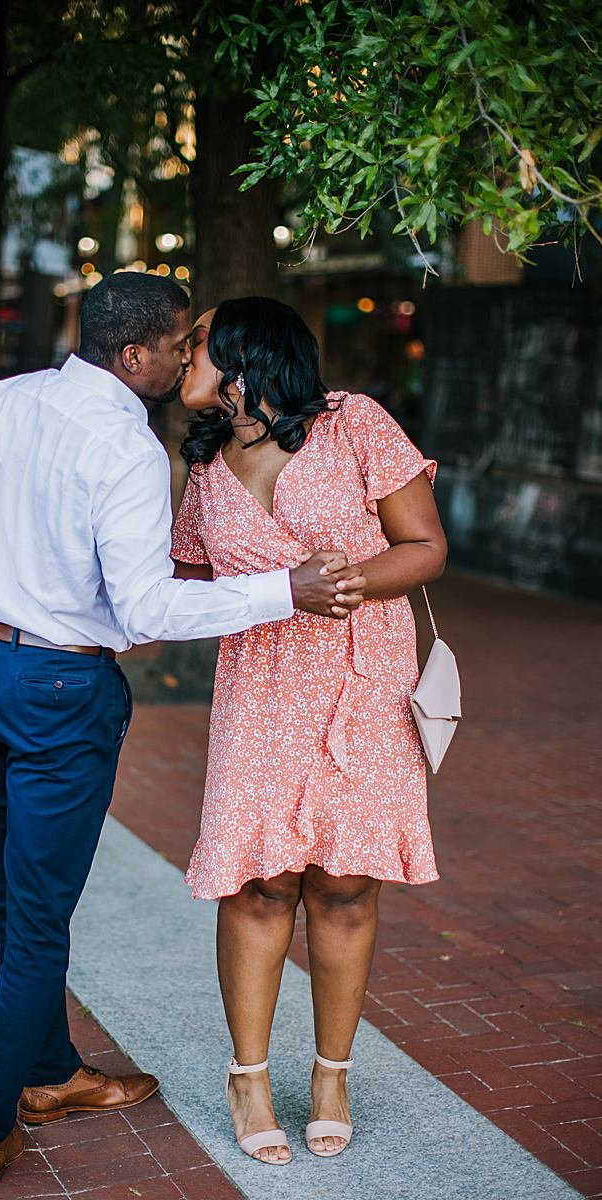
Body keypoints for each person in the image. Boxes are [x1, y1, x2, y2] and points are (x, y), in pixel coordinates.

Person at [0, 272, 369, 1188]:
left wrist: (14, 544)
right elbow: (148, 607)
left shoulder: (5, 399)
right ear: (134, 356)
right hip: (58, 691)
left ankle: (52, 1072)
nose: (188, 357)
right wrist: (287, 589)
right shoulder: (124, 447)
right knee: (38, 920)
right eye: (178, 344)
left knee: (13, 895)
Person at [169, 297, 446, 1165]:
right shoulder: (207, 463)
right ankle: (247, 1075)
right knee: (257, 883)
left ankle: (331, 1071)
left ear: (247, 350)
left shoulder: (353, 422)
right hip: (258, 686)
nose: (184, 353)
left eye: (198, 341)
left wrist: (340, 583)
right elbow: (183, 578)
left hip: (360, 680)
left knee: (343, 884)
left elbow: (424, 545)